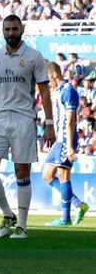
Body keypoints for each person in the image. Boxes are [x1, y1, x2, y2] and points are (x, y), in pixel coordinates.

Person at [0, 14, 56, 239]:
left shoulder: (34, 57)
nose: (10, 33)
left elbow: (44, 91)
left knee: (22, 171)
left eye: (14, 29)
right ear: (2, 31)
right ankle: (7, 214)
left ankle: (22, 225)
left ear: (22, 29)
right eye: (7, 29)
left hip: (24, 117)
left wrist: (49, 123)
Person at [42, 61, 89, 226]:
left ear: (54, 74)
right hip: (58, 141)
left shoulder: (68, 91)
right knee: (47, 175)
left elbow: (70, 121)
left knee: (63, 175)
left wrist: (69, 146)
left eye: (48, 78)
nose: (48, 82)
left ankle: (65, 218)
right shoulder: (59, 91)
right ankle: (79, 204)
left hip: (66, 140)